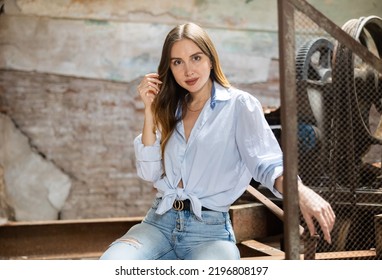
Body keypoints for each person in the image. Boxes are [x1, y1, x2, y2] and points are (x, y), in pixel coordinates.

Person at [100, 22, 335, 260]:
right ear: (169, 68)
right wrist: (150, 110)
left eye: (196, 58)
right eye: (177, 62)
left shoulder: (240, 105)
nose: (188, 71)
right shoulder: (170, 108)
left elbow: (267, 164)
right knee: (111, 265)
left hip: (209, 234)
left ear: (211, 60)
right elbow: (149, 173)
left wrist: (301, 193)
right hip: (158, 224)